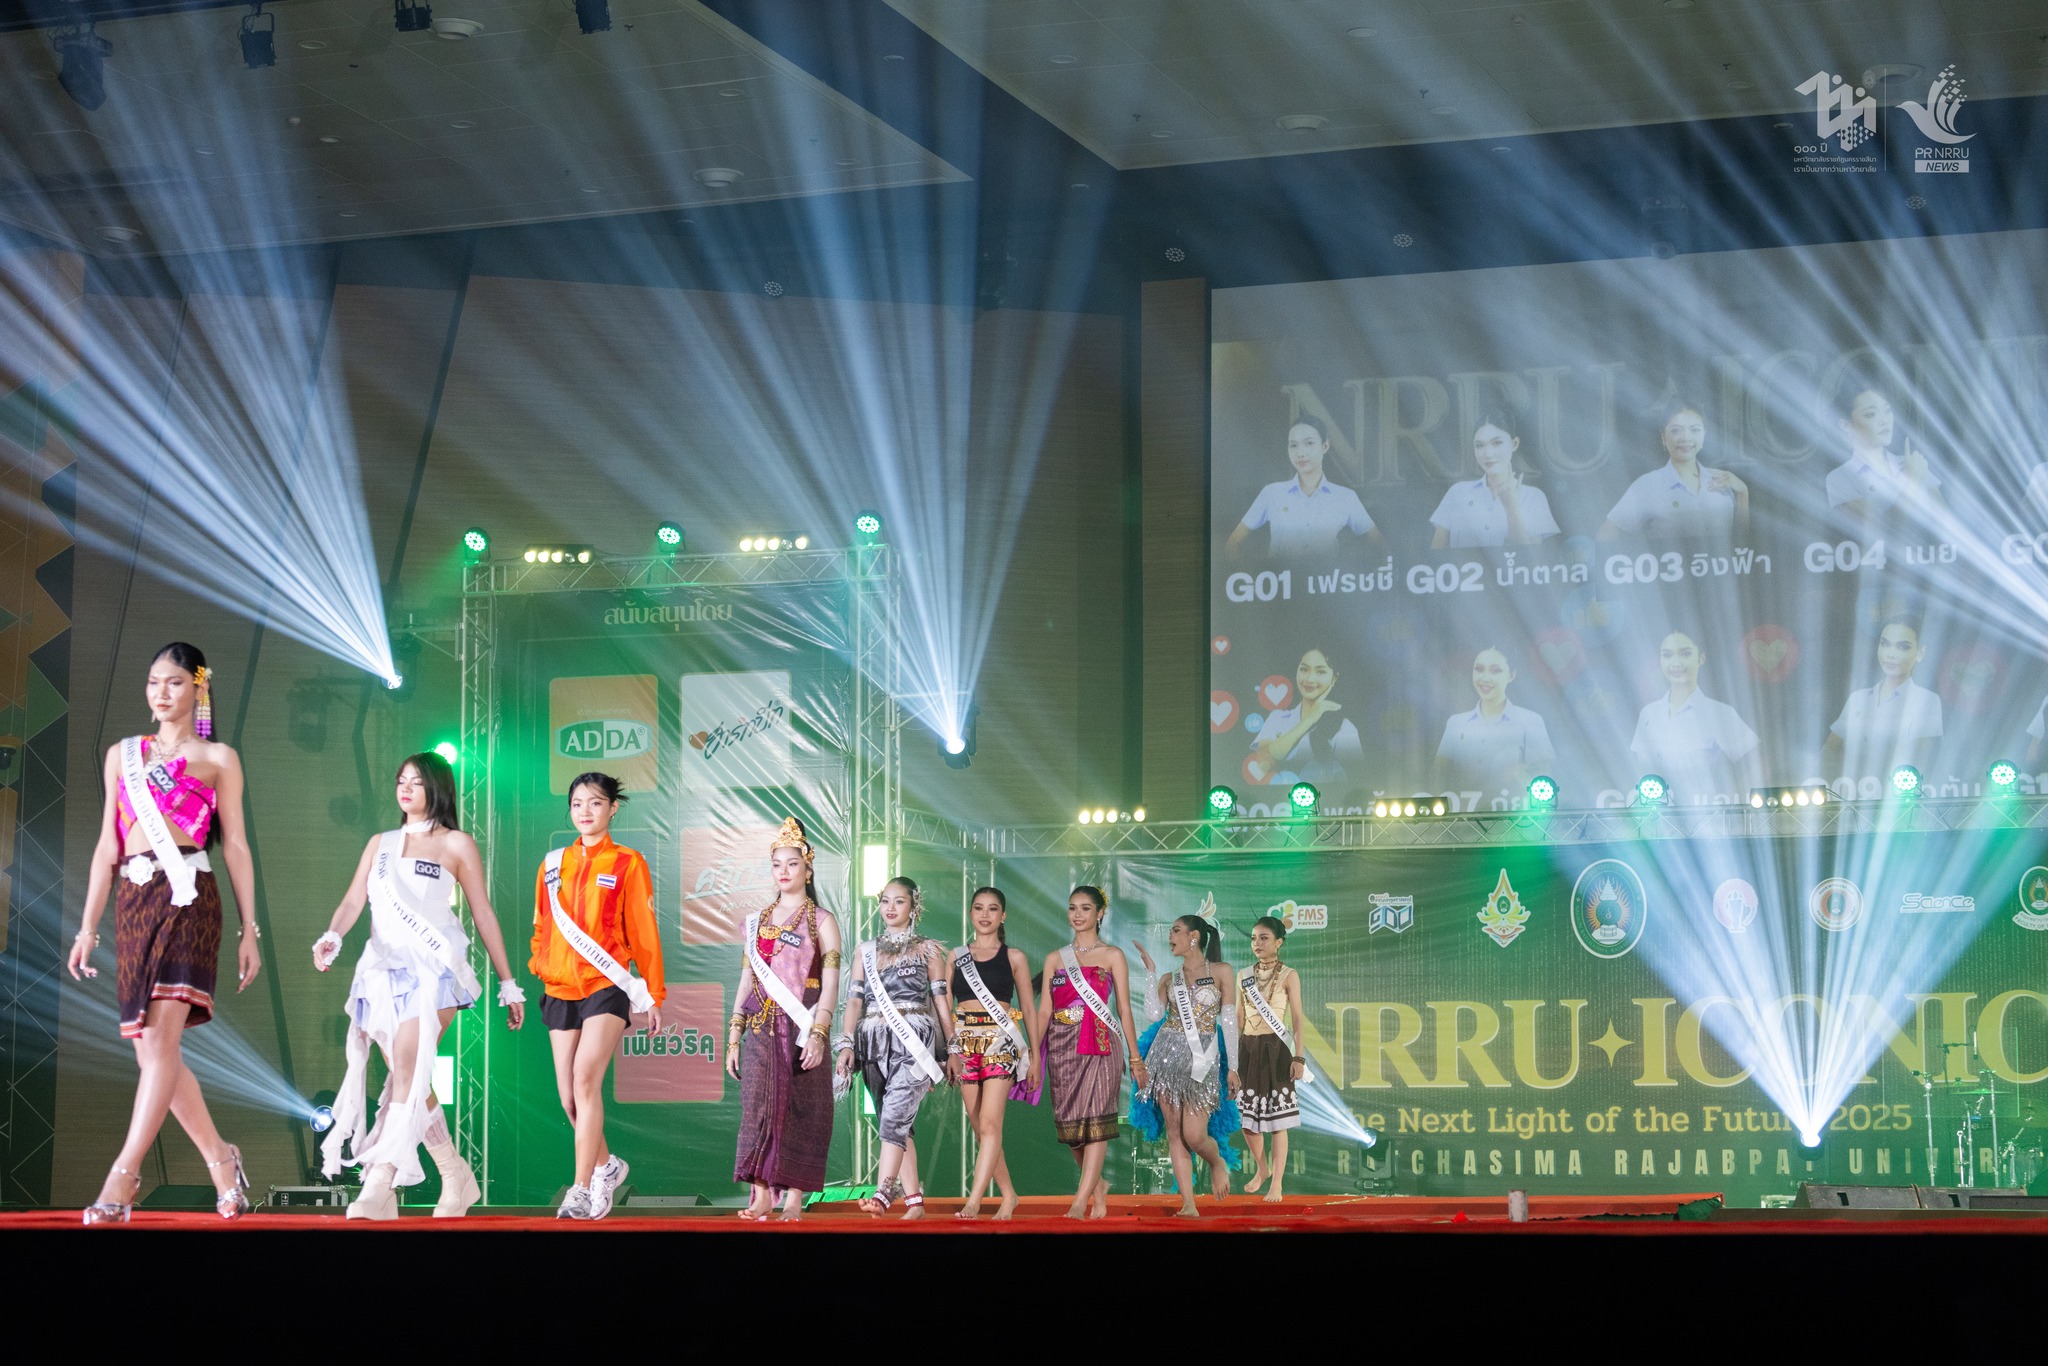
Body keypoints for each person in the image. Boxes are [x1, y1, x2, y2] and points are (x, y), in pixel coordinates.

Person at [68, 643, 262, 1223]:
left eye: (174, 682)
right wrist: (87, 927)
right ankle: (222, 1161)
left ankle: (122, 1179)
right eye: (154, 681)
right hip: (134, 901)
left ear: (199, 688)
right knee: (152, 1050)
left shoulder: (219, 758)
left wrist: (249, 930)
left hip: (188, 899)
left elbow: (236, 846)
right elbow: (107, 845)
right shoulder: (122, 755)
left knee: (159, 1040)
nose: (161, 693)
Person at [312, 752, 525, 1219]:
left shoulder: (456, 843)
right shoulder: (380, 844)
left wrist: (508, 982)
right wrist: (333, 935)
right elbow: (353, 901)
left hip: (435, 969)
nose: (405, 789)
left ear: (437, 787)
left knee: (407, 1067)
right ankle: (453, 1172)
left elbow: (482, 912)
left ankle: (380, 1182)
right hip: (381, 973)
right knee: (408, 1076)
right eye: (400, 781)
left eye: (416, 782)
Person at [529, 772, 663, 1219]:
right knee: (568, 1097)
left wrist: (653, 993)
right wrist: (541, 963)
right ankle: (607, 1166)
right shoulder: (552, 864)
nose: (585, 811)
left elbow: (644, 933)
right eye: (577, 804)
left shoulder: (628, 862)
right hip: (559, 987)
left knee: (586, 1079)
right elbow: (541, 926)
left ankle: (581, 1189)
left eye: (595, 803)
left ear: (612, 808)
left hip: (606, 985)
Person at [729, 816, 843, 1221]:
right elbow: (746, 980)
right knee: (757, 1107)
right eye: (777, 864)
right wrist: (734, 1034)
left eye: (792, 864)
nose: (784, 871)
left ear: (807, 869)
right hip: (761, 1026)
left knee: (803, 1110)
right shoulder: (757, 922)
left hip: (802, 1026)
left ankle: (794, 1198)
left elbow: (831, 984)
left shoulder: (822, 921)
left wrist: (819, 1033)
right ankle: (761, 1194)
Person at [834, 877, 954, 1219]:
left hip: (914, 1040)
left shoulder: (929, 950)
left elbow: (940, 1002)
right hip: (872, 1042)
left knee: (894, 1116)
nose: (890, 908)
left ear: (914, 907)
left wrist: (951, 1050)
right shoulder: (865, 950)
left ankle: (884, 1191)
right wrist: (846, 1044)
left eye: (899, 901)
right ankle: (915, 1203)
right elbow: (854, 1001)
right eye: (885, 901)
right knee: (896, 1123)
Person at [1038, 885, 1145, 1220]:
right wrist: (1032, 1053)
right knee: (1072, 1131)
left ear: (1100, 913)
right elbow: (1044, 1010)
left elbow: (1124, 1009)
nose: (1078, 915)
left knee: (1097, 1122)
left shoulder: (1112, 955)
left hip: (1100, 1043)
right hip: (1061, 1045)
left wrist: (1135, 1057)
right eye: (1073, 908)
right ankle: (1098, 1189)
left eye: (1086, 908)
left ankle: (1078, 1202)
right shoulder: (1055, 958)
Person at [1130, 914, 1241, 1217]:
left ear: (1194, 936)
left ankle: (1217, 1162)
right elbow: (1154, 1014)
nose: (1171, 937)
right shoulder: (1170, 978)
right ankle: (1188, 1204)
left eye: (1176, 931)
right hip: (1166, 1057)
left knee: (1194, 1135)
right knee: (1174, 1133)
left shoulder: (1221, 971)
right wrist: (1151, 972)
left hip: (1202, 1058)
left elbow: (1229, 1021)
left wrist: (1233, 1066)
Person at [948, 886, 1038, 1221]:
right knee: (980, 1127)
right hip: (964, 1042)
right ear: (970, 913)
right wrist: (947, 1050)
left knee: (989, 1122)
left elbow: (1028, 1008)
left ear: (1003, 915)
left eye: (992, 909)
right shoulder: (956, 956)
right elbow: (942, 1005)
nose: (985, 915)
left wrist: (1035, 1056)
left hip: (1001, 1041)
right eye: (978, 908)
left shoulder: (1014, 957)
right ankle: (1009, 1195)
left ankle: (974, 1201)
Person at [1628, 632, 1761, 801]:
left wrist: (1730, 795)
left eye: (1685, 654)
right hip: (1658, 810)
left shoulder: (1720, 713)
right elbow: (1643, 767)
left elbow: (1753, 761)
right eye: (1667, 655)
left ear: (1701, 658)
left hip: (1709, 809)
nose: (1676, 663)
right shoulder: (1649, 713)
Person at [1224, 416, 1380, 559]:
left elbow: (1380, 545)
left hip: (1326, 579)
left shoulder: (1345, 497)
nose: (1300, 453)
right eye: (1293, 445)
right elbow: (1233, 543)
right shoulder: (1271, 493)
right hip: (1281, 579)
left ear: (1325, 446)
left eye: (1309, 443)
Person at [1597, 399, 1749, 540]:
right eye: (1676, 431)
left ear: (1704, 435)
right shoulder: (1648, 484)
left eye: (1695, 430)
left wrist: (1743, 492)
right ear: (1663, 438)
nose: (1686, 438)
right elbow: (1605, 534)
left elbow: (1743, 545)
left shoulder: (1722, 480)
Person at [1235, 916, 1306, 1203]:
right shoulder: (1243, 975)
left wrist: (1299, 1057)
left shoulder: (1289, 974)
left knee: (1278, 1122)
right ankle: (1262, 1168)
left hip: (1276, 1050)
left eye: (1264, 938)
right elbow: (1238, 1019)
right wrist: (1231, 1059)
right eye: (1254, 938)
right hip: (1248, 1049)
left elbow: (1298, 1020)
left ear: (1278, 942)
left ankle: (1277, 1183)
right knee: (1246, 1119)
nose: (1257, 943)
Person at [1824, 615, 1943, 772]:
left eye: (1903, 647)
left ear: (1920, 653)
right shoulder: (1858, 698)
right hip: (1849, 783)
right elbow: (1829, 750)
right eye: (1885, 644)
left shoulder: (1926, 700)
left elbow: (1923, 756)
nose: (1891, 654)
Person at [1429, 410, 1560, 548]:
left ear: (1514, 444)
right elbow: (1437, 551)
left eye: (1497, 443)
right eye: (1479, 445)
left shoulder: (1533, 497)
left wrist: (1511, 507)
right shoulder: (1457, 492)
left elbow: (1531, 558)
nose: (1488, 454)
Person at [1434, 646, 1556, 792]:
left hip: (1516, 804)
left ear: (1511, 675)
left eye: (1495, 671)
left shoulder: (1531, 721)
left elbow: (1546, 772)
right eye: (1479, 669)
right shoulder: (1456, 723)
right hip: (1464, 804)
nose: (1485, 678)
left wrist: (1520, 773)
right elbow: (1440, 774)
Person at [1250, 646, 1364, 789]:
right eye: (1304, 669)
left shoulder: (1345, 728)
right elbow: (1263, 765)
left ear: (1334, 678)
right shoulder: (1277, 718)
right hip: (1273, 801)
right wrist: (1310, 719)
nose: (1310, 679)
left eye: (1320, 671)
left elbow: (1354, 782)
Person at [1825, 384, 1944, 518]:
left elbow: (1944, 518)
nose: (1884, 421)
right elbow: (1879, 527)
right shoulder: (1840, 478)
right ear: (1846, 425)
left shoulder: (1912, 463)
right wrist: (1913, 481)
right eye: (1871, 414)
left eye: (1887, 411)